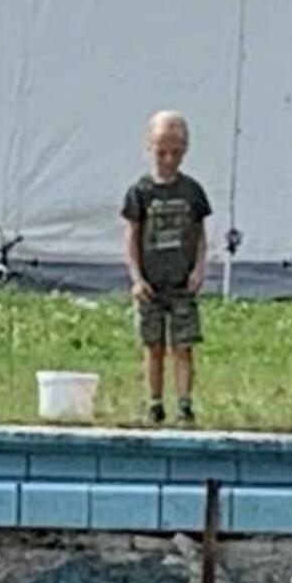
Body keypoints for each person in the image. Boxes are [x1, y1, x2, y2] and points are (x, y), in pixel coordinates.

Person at [121, 111, 211, 425]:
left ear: (185, 149)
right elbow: (131, 237)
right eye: (162, 152)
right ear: (149, 146)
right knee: (153, 345)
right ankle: (154, 402)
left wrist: (199, 269)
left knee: (183, 345)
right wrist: (136, 277)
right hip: (151, 282)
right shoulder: (140, 193)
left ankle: (185, 403)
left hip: (181, 281)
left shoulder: (192, 192)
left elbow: (200, 236)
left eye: (176, 152)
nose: (169, 159)